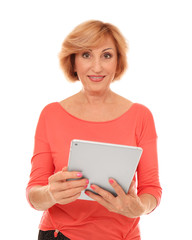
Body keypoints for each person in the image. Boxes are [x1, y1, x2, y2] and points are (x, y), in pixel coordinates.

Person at [26, 20, 162, 240]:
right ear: (73, 62)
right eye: (86, 55)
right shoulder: (51, 114)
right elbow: (34, 194)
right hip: (62, 235)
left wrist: (138, 207)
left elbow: (152, 189)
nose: (97, 67)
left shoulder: (140, 116)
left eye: (106, 55)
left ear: (118, 62)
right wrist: (51, 194)